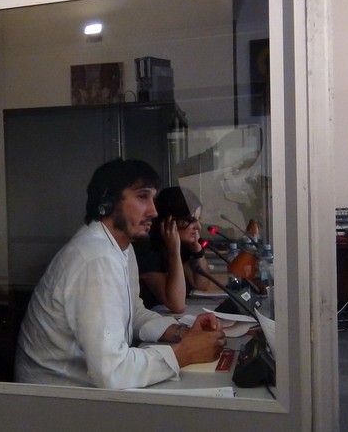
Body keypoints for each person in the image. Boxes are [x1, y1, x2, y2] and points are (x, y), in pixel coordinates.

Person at [14, 158, 225, 389]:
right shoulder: (96, 257)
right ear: (108, 202)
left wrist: (182, 333)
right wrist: (183, 353)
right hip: (56, 398)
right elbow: (112, 372)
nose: (154, 211)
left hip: (84, 391)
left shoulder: (121, 247)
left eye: (153, 199)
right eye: (142, 197)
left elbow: (133, 312)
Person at [135, 186, 221, 314]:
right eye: (191, 220)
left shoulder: (183, 244)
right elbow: (177, 305)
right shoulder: (147, 248)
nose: (198, 227)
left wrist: (198, 251)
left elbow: (201, 284)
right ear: (169, 221)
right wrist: (174, 252)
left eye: (198, 220)